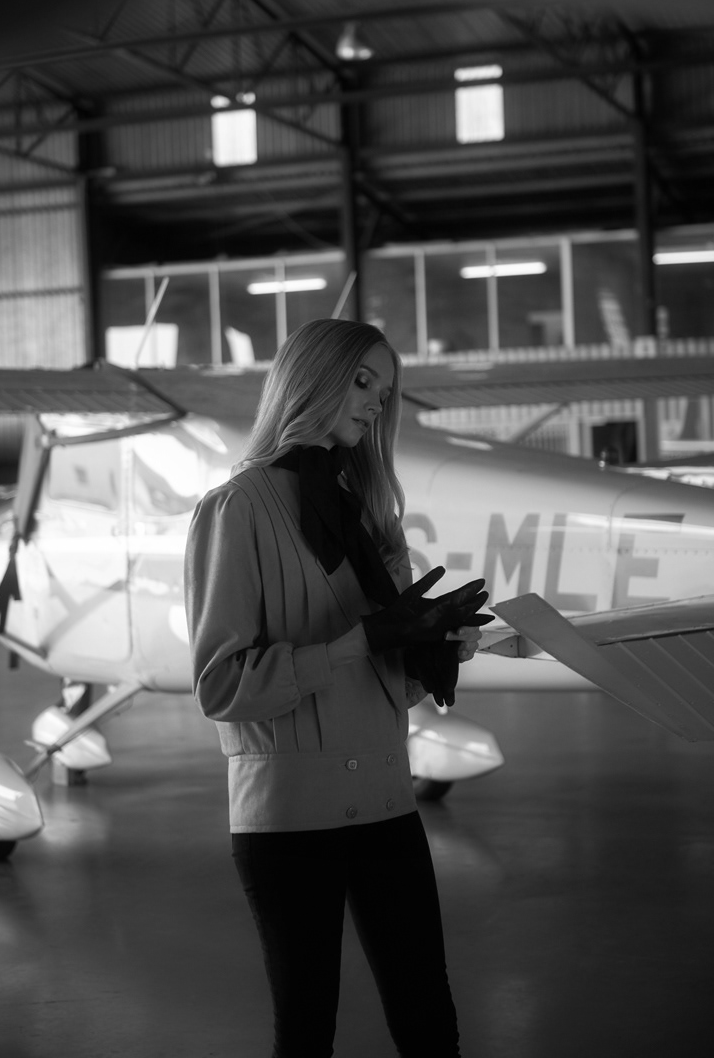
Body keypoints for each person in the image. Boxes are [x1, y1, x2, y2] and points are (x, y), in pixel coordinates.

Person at [184, 318, 491, 1058]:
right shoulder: (234, 509)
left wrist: (433, 653)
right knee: (306, 1031)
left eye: (384, 390)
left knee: (430, 1022)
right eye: (362, 381)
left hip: (387, 803)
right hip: (287, 822)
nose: (377, 402)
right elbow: (220, 688)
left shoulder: (373, 516)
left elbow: (381, 684)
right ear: (310, 378)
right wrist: (362, 641)